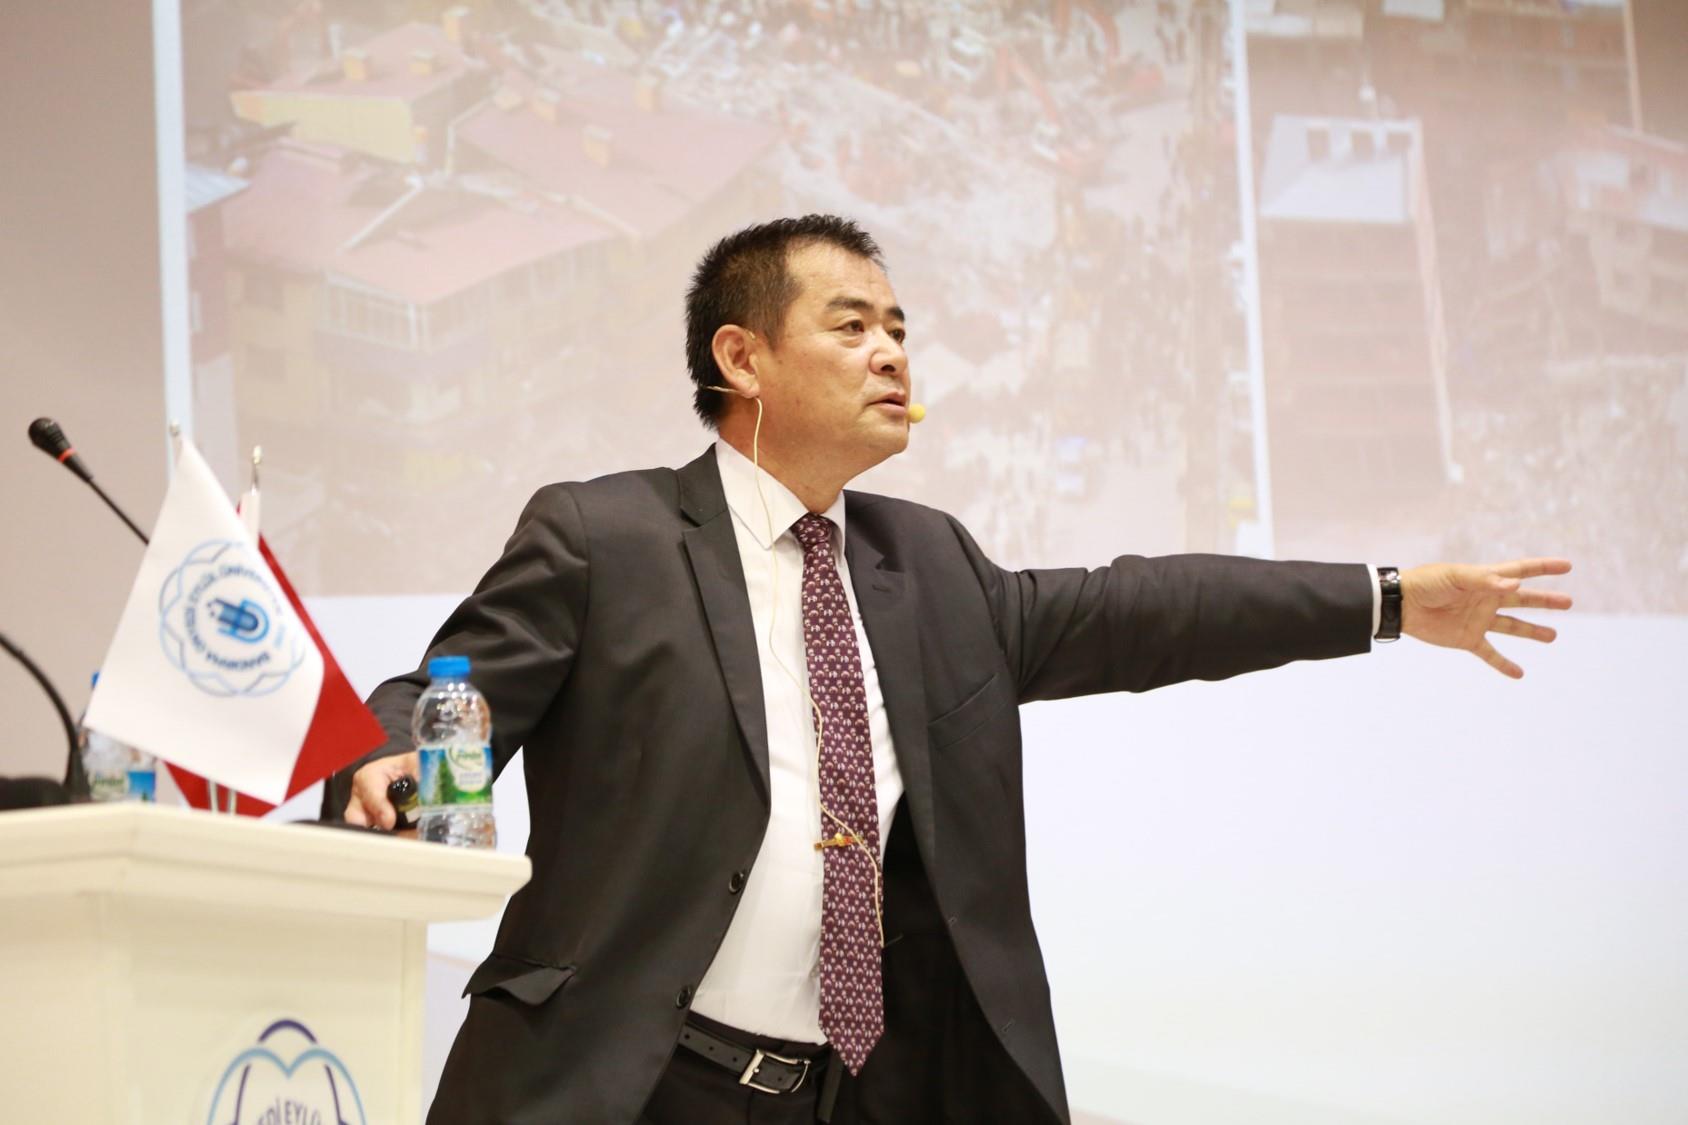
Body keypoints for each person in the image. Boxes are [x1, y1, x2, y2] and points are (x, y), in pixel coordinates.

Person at [323, 215, 1571, 1125]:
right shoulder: (609, 535)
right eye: (850, 326)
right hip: (621, 1082)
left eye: (899, 330)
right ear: (742, 358)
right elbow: (456, 690)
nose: (891, 355)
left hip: (846, 1097)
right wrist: (389, 756)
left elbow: (1143, 610)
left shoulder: (924, 565)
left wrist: (1384, 600)